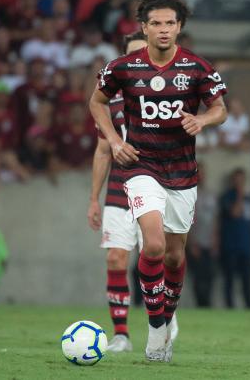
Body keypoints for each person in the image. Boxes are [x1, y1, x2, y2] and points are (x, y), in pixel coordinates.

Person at [89, 0, 228, 362]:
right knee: (152, 246)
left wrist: (202, 119)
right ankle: (153, 332)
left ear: (179, 27)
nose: (164, 29)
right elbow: (96, 101)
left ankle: (166, 319)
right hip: (141, 168)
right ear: (144, 28)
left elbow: (220, 109)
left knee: (174, 256)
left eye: (170, 23)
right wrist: (116, 140)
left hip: (182, 172)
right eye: (156, 23)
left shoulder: (197, 68)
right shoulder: (124, 67)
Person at [87, 31, 151, 353]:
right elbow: (102, 150)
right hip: (119, 188)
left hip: (159, 186)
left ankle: (162, 323)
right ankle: (122, 335)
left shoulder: (167, 97)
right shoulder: (110, 101)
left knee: (157, 258)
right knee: (115, 258)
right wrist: (93, 200)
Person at [219, 168, 250, 309]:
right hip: (230, 245)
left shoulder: (249, 199)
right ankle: (230, 306)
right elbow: (235, 213)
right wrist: (239, 195)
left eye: (242, 179)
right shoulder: (226, 197)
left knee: (247, 279)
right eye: (236, 179)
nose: (239, 182)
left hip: (245, 245)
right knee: (230, 279)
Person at [187, 164, 219, 307]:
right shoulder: (188, 194)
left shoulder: (211, 195)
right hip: (196, 244)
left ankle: (207, 304)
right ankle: (200, 304)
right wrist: (191, 243)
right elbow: (186, 221)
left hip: (210, 243)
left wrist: (216, 240)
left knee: (210, 276)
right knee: (197, 278)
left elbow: (216, 219)